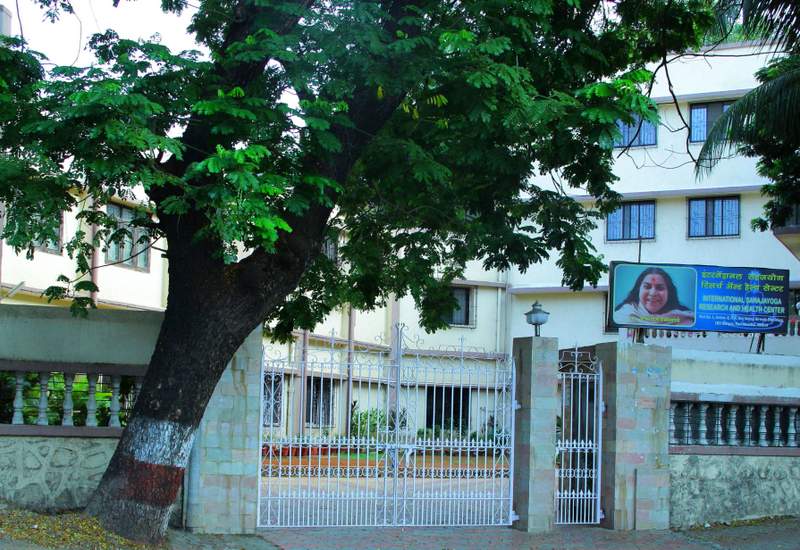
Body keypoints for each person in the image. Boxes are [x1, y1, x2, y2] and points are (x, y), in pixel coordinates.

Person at [614, 267, 695, 326]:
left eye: (660, 288)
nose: (653, 293)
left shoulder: (684, 319)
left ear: (669, 292)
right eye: (647, 287)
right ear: (638, 289)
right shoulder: (623, 315)